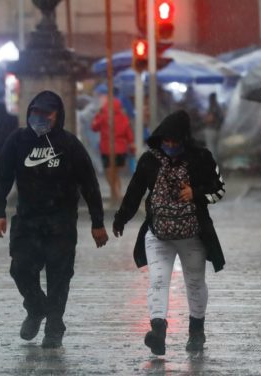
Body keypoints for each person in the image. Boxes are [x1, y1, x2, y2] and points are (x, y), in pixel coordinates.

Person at [0, 90, 109, 349]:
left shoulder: (69, 144)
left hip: (61, 222)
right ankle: (36, 309)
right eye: (36, 112)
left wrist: (97, 221)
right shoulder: (18, 141)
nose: (40, 118)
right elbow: (2, 176)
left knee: (59, 276)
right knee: (20, 269)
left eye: (47, 113)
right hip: (28, 221)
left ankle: (55, 325)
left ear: (58, 116)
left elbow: (89, 183)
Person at [112, 110, 226, 355]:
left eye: (175, 142)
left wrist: (195, 193)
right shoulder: (148, 161)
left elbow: (219, 190)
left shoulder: (202, 158)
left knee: (195, 283)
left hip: (192, 234)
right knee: (158, 281)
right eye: (167, 141)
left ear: (185, 139)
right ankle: (158, 331)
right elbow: (134, 192)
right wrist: (121, 219)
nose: (171, 146)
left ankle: (196, 333)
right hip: (158, 233)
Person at [91, 96, 135, 202]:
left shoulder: (103, 116)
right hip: (120, 149)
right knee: (115, 173)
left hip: (107, 149)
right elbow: (128, 132)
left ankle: (116, 194)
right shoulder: (123, 117)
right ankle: (117, 194)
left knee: (109, 173)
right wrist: (131, 143)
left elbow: (94, 127)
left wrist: (98, 115)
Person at [202, 93, 224, 158]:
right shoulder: (218, 107)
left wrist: (204, 119)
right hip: (217, 130)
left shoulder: (213, 107)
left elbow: (210, 118)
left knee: (212, 149)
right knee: (216, 149)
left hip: (212, 130)